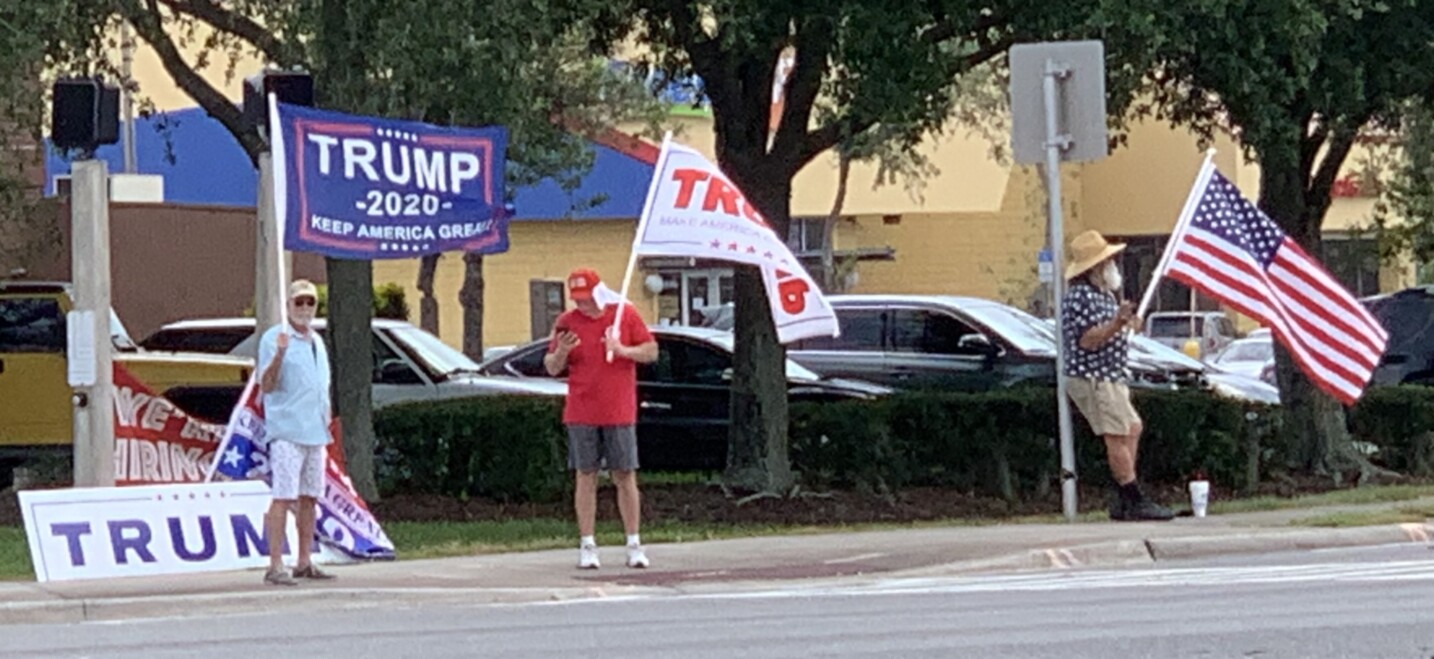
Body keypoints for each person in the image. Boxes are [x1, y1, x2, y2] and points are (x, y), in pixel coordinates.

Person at [544, 268, 659, 569]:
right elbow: (552, 367)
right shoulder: (566, 323)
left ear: (598, 293)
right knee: (586, 475)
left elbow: (651, 351)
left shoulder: (624, 315)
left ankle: (633, 542)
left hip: (618, 409)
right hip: (581, 410)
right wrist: (562, 353)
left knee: (625, 474)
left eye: (586, 298)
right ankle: (587, 544)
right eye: (577, 299)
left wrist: (622, 350)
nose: (581, 305)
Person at [1061, 231, 1174, 521]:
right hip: (1093, 376)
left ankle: (1122, 495)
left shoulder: (1104, 295)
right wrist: (1116, 323)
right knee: (1117, 435)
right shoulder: (1080, 297)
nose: (1113, 265)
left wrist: (1127, 324)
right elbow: (1087, 340)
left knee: (1132, 427)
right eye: (1108, 260)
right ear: (1095, 267)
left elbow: (1113, 328)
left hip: (1112, 375)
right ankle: (1133, 498)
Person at [257, 279, 338, 585]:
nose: (304, 308)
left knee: (309, 498)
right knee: (283, 496)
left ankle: (304, 560)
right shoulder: (274, 338)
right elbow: (266, 385)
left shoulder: (316, 342)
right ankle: (275, 563)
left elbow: (321, 386)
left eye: (309, 303)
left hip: (315, 432)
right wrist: (279, 354)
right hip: (287, 430)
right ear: (288, 305)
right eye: (299, 302)